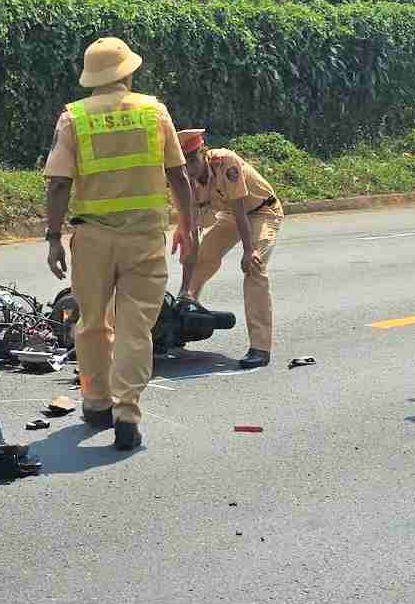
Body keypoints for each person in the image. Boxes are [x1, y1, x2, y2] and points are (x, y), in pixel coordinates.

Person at [43, 37, 198, 453]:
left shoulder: (73, 118)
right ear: (128, 72)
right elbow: (178, 176)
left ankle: (95, 403)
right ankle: (126, 412)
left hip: (92, 238)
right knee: (135, 328)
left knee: (91, 324)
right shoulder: (154, 111)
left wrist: (53, 237)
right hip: (144, 239)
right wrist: (188, 225)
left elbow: (59, 183)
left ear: (92, 77)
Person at [174, 128, 284, 369]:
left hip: (261, 212)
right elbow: (192, 229)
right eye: (185, 162)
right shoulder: (183, 178)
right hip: (230, 216)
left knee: (254, 269)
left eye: (193, 159)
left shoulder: (225, 162)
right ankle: (181, 323)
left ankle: (260, 348)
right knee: (202, 258)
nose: (190, 167)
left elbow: (239, 208)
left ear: (203, 152)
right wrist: (184, 287)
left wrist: (248, 251)